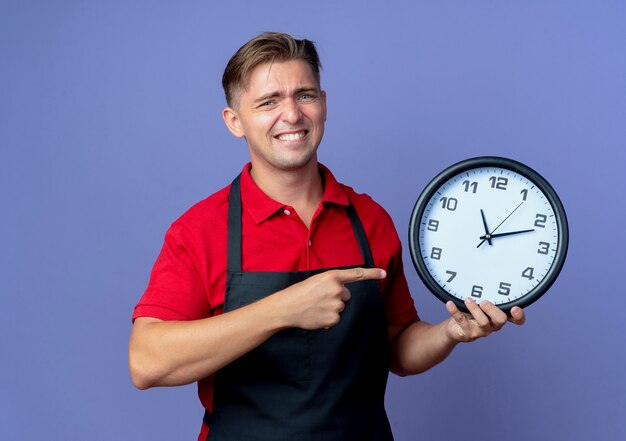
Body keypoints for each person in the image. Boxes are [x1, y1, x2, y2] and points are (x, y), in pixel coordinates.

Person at [129, 32, 526, 441]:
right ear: (235, 122)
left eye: (305, 95)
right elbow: (146, 362)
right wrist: (283, 310)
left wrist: (451, 332)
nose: (292, 115)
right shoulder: (199, 230)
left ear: (324, 103)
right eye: (269, 102)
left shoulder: (370, 220)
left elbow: (399, 349)